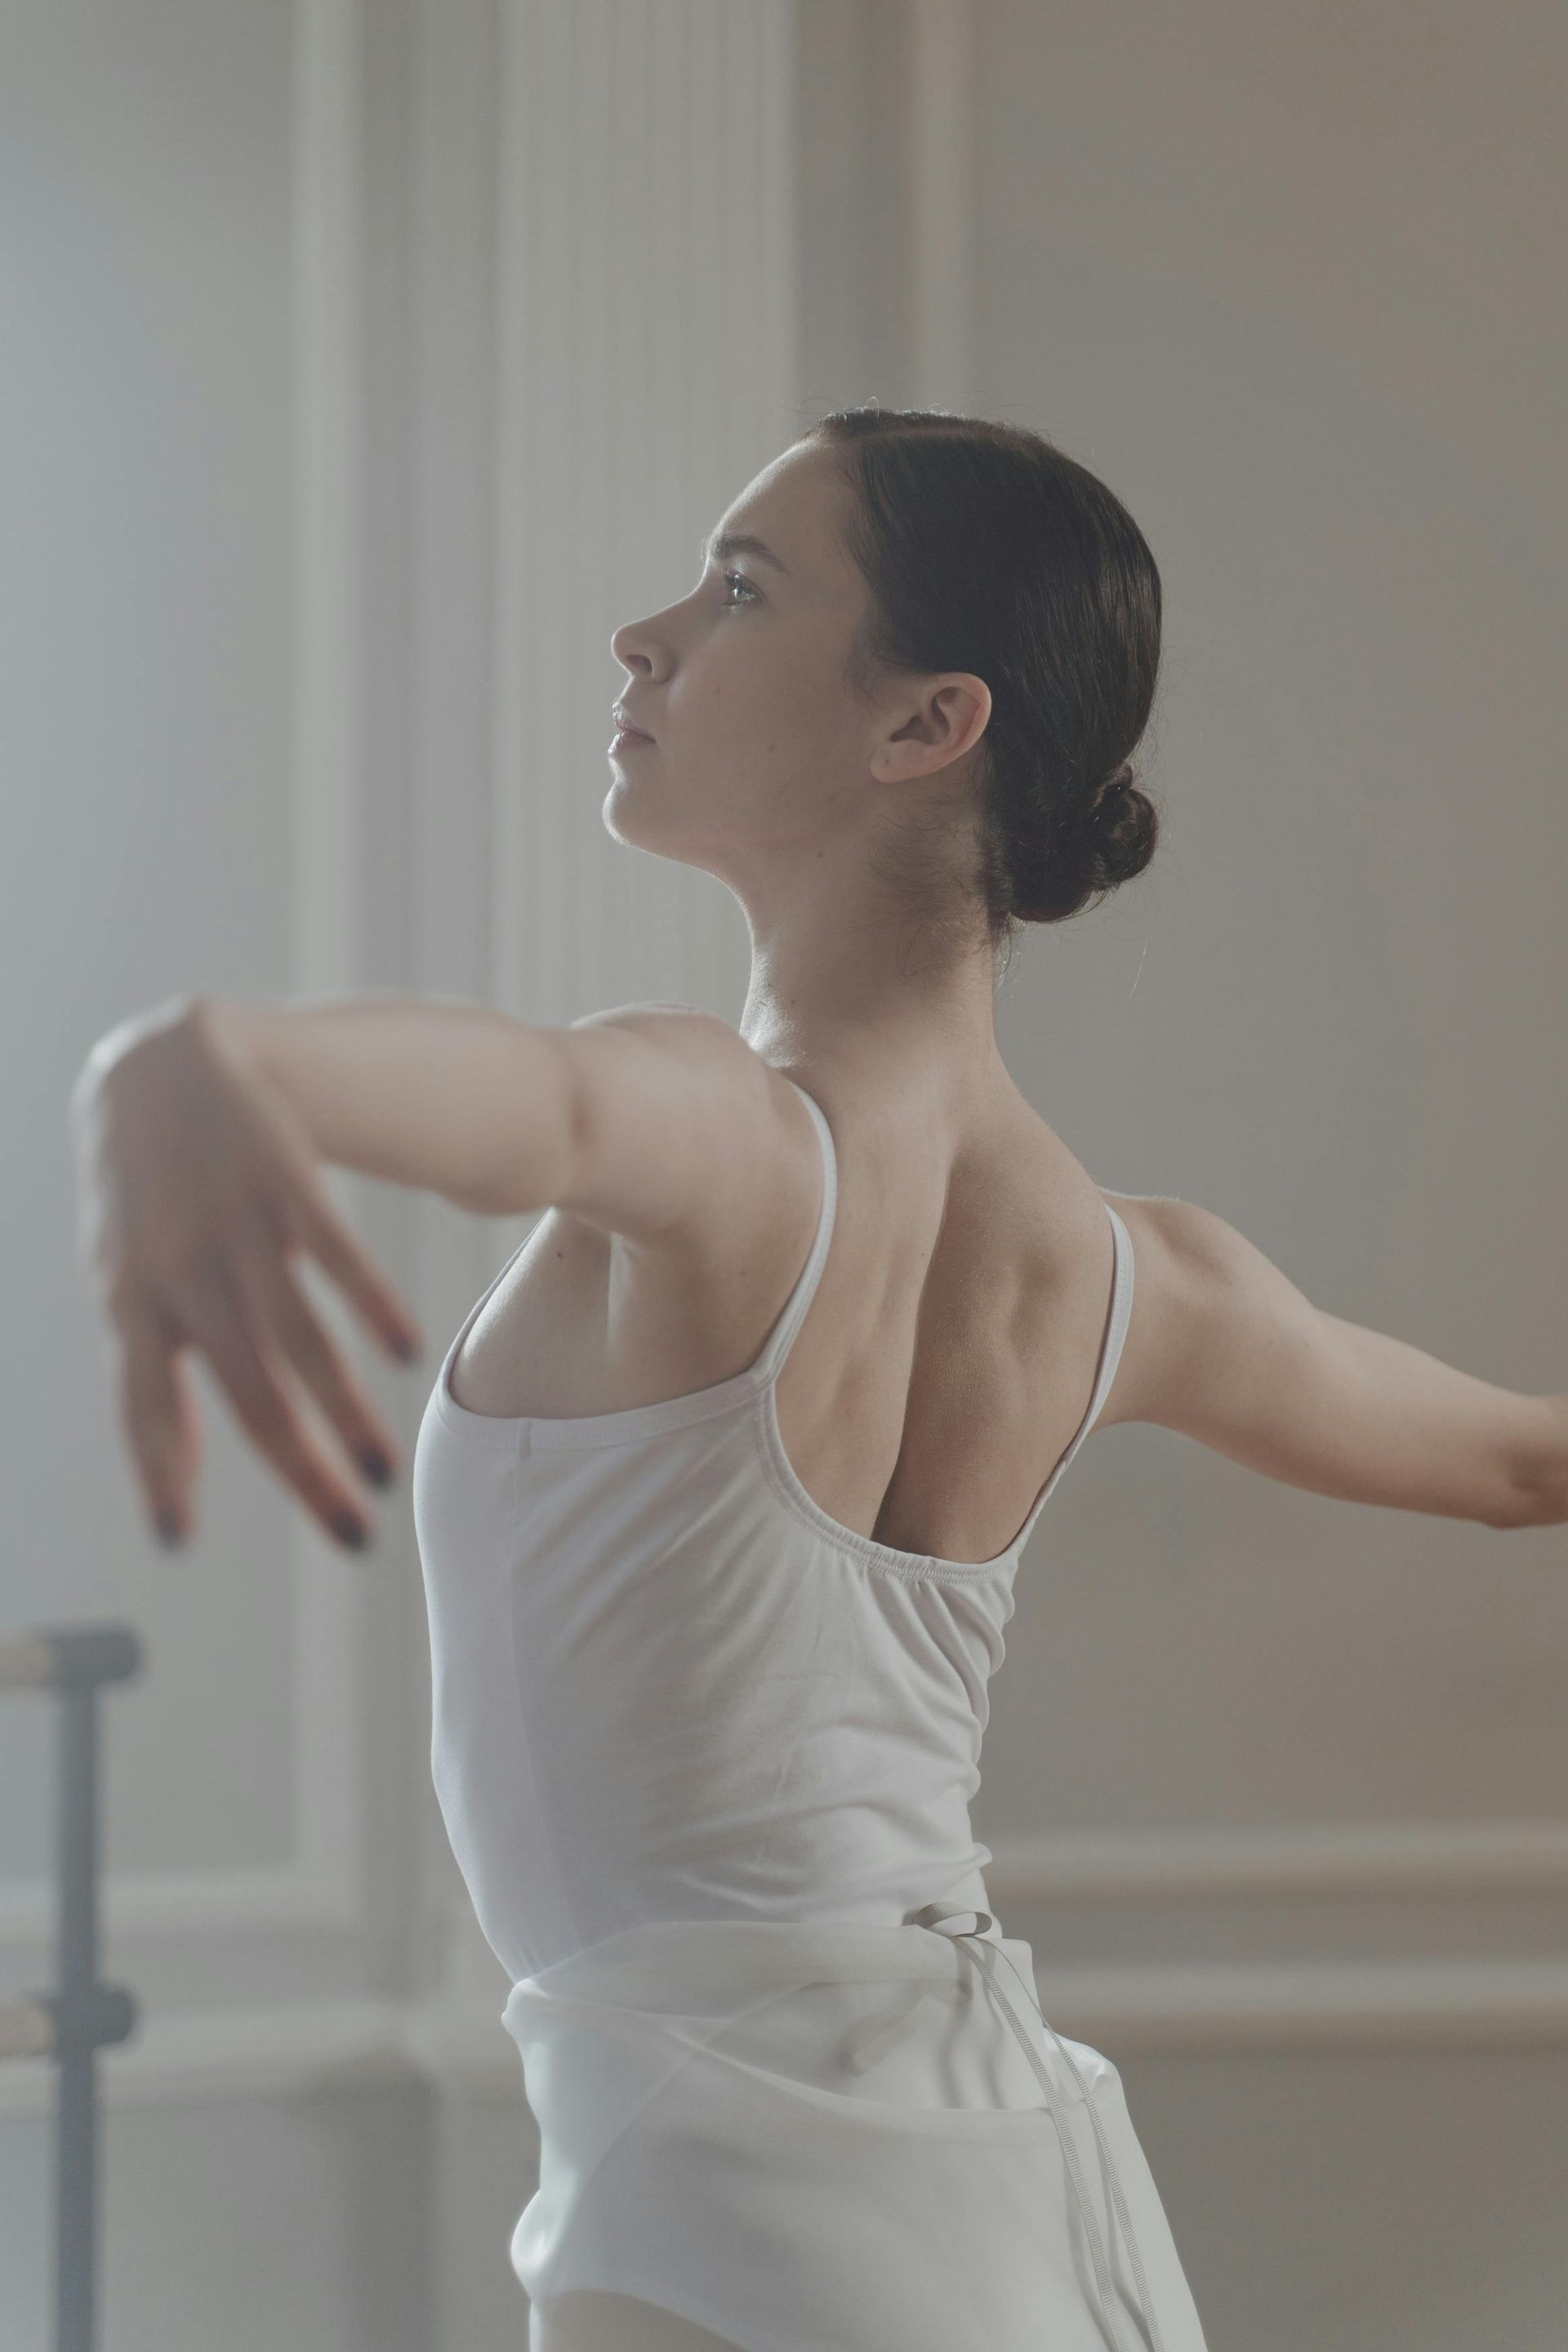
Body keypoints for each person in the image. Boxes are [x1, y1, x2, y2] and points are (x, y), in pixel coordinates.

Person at [72, 408, 1566, 2352]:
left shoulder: (725, 1134)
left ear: (925, 724)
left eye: (742, 587)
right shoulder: (1143, 1275)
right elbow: (1533, 1467)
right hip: (1025, 2209)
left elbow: (541, 1100)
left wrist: (184, 1065)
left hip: (738, 2227)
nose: (645, 633)